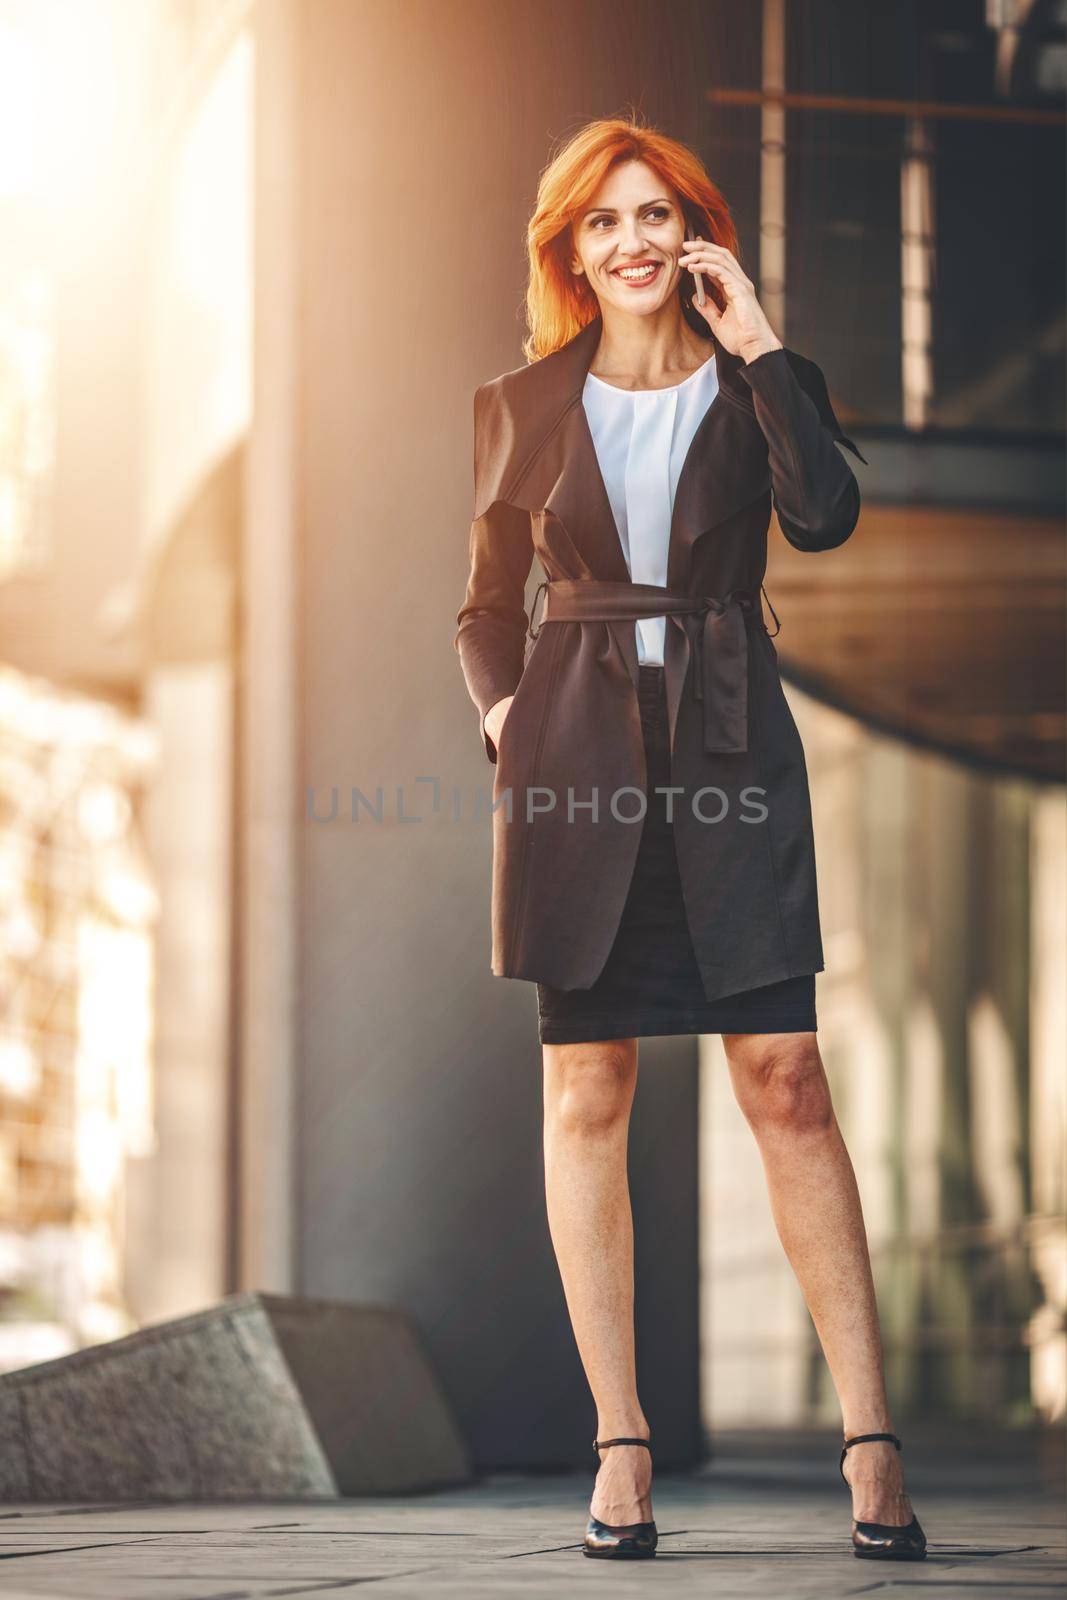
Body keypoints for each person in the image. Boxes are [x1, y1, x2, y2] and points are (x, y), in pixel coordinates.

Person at [453, 116, 926, 1564]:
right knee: (588, 1091)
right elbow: (483, 604)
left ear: (696, 234)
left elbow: (827, 514)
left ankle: (873, 1441)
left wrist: (764, 337)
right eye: (603, 222)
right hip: (577, 760)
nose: (632, 241)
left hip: (731, 746)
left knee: (787, 1079)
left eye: (656, 215)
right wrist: (504, 719)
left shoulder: (759, 388)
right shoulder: (519, 405)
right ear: (571, 252)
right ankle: (622, 1444)